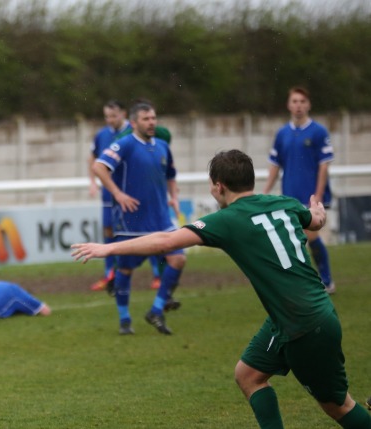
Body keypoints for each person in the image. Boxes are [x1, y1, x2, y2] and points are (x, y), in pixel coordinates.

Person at [72, 149, 371, 429]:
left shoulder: (228, 219)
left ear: (218, 187)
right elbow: (314, 221)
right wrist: (318, 215)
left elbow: (165, 241)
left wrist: (106, 249)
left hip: (305, 325)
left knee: (338, 406)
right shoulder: (285, 202)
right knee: (248, 375)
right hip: (293, 316)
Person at [92, 102, 185, 335]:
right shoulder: (124, 144)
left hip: (161, 219)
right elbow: (99, 166)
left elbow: (171, 175)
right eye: (146, 119)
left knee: (178, 259)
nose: (151, 122)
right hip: (131, 221)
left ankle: (156, 309)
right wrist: (118, 194)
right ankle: (124, 319)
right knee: (125, 271)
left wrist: (173, 197)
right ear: (133, 123)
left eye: (153, 118)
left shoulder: (163, 146)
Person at [88, 100, 168, 294]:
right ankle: (110, 274)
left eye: (113, 116)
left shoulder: (131, 136)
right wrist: (92, 182)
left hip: (133, 194)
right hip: (110, 194)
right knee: (109, 232)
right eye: (107, 116)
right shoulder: (102, 134)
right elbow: (94, 158)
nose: (110, 120)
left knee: (149, 233)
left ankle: (157, 274)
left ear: (124, 115)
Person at [263, 86, 336, 294]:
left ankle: (327, 280)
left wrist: (319, 194)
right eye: (294, 101)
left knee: (310, 237)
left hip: (310, 195)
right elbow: (275, 165)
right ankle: (303, 282)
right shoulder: (282, 134)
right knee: (293, 240)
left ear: (309, 105)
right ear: (288, 105)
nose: (298, 105)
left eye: (302, 101)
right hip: (289, 195)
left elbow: (324, 165)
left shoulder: (318, 132)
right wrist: (265, 191)